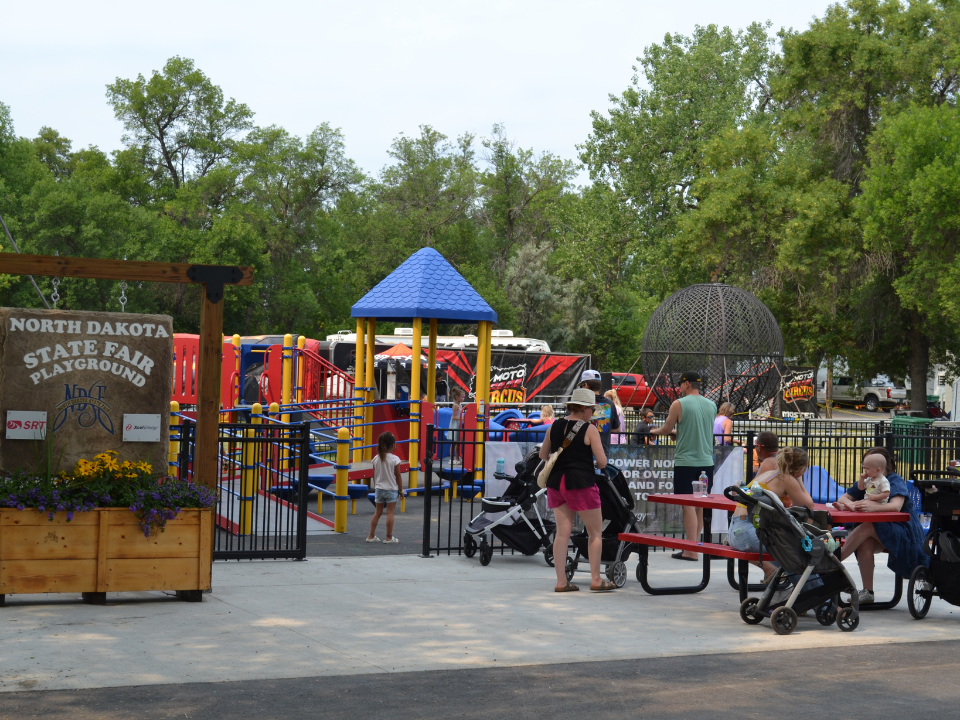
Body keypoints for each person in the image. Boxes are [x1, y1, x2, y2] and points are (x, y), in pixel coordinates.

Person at [540, 387, 616, 592]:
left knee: (562, 534)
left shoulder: (554, 425)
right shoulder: (589, 429)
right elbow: (602, 462)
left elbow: (543, 455)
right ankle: (596, 579)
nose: (593, 413)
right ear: (584, 408)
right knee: (595, 533)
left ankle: (561, 582)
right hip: (581, 483)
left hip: (557, 483)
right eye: (592, 409)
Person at [833, 447, 928, 604]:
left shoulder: (893, 480)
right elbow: (843, 498)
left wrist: (873, 507)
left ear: (880, 467)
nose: (865, 469)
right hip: (882, 530)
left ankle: (833, 562)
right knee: (865, 542)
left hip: (904, 531)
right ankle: (868, 592)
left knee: (868, 526)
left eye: (868, 466)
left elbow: (896, 506)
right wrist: (853, 505)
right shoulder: (869, 480)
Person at [650, 371, 717, 561]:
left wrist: (653, 430)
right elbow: (697, 429)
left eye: (680, 384)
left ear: (687, 384)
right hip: (706, 461)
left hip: (686, 462)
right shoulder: (711, 405)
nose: (679, 388)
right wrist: (678, 433)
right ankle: (694, 546)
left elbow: (665, 429)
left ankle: (691, 550)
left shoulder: (679, 404)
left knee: (687, 505)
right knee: (700, 505)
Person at [729, 447, 815, 584]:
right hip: (749, 532)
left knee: (786, 548)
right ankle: (814, 593)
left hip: (736, 530)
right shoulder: (786, 478)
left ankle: (780, 580)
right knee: (797, 551)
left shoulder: (769, 473)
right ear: (801, 468)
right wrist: (799, 481)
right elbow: (809, 505)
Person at [366, 432, 405, 544]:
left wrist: (376, 486)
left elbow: (374, 475)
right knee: (390, 513)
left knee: (377, 512)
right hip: (391, 489)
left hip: (379, 489)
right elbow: (398, 476)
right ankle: (388, 537)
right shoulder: (395, 459)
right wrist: (401, 490)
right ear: (393, 445)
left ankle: (371, 536)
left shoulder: (376, 458)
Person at [579, 369, 620, 452]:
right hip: (603, 452)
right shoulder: (610, 404)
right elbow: (617, 429)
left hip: (582, 452)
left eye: (581, 386)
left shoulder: (579, 403)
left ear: (585, 385)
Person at [449, 388, 463, 464]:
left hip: (459, 424)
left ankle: (457, 458)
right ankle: (452, 459)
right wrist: (462, 418)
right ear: (457, 397)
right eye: (462, 397)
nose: (463, 398)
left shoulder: (460, 405)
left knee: (458, 443)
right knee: (454, 443)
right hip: (455, 425)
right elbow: (454, 417)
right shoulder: (455, 406)